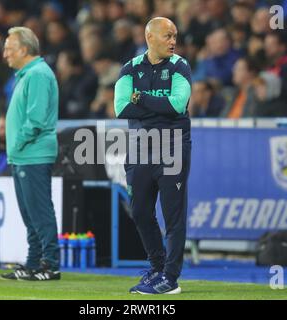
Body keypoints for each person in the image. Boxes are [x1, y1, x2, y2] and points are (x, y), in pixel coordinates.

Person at [114, 17, 192, 294]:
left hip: (172, 147)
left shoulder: (180, 66)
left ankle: (170, 278)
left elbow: (177, 104)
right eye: (168, 36)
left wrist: (142, 99)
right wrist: (159, 107)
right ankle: (158, 267)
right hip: (140, 147)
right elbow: (121, 108)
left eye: (175, 36)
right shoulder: (129, 68)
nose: (173, 41)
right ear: (150, 38)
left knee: (173, 214)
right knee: (139, 211)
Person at [0, 27, 60, 281]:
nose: (5, 55)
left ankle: (50, 264)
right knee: (30, 213)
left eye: (9, 49)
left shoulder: (37, 75)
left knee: (40, 211)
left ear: (24, 50)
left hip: (33, 154)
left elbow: (35, 120)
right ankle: (34, 262)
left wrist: (16, 143)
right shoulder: (27, 75)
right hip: (24, 155)